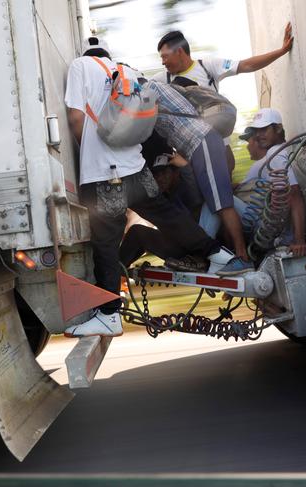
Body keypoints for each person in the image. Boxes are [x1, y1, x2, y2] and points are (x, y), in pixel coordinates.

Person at [63, 37, 236, 338]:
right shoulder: (126, 71)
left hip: (104, 174)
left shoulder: (80, 66)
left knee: (105, 243)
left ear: (85, 54)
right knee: (166, 214)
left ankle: (108, 315)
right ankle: (220, 255)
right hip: (134, 167)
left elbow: (77, 117)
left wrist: (86, 150)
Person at [143, 79, 252, 274]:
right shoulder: (160, 90)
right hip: (197, 147)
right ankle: (215, 257)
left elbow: (139, 121)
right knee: (213, 204)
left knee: (221, 204)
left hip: (201, 142)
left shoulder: (149, 88)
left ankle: (242, 257)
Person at [153, 24, 294, 174]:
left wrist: (282, 51)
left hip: (217, 140)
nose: (162, 62)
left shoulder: (207, 66)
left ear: (179, 51)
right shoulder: (162, 80)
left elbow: (246, 65)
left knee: (225, 174)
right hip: (190, 146)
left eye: (165, 56)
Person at [200, 108, 306, 257]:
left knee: (215, 200)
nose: (258, 135)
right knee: (219, 199)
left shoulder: (274, 154)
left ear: (278, 128)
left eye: (264, 129)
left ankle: (200, 251)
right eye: (257, 130)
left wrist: (299, 240)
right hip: (266, 223)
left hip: (264, 228)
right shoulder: (279, 153)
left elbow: (294, 196)